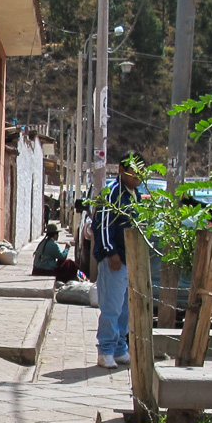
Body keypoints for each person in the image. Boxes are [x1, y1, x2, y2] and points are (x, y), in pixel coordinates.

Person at [92, 151, 146, 369]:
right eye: (134, 170)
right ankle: (105, 350)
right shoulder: (112, 193)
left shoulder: (136, 195)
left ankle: (120, 348)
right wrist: (110, 252)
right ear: (122, 170)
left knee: (125, 308)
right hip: (115, 259)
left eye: (141, 171)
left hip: (131, 259)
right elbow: (102, 225)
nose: (138, 176)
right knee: (112, 307)